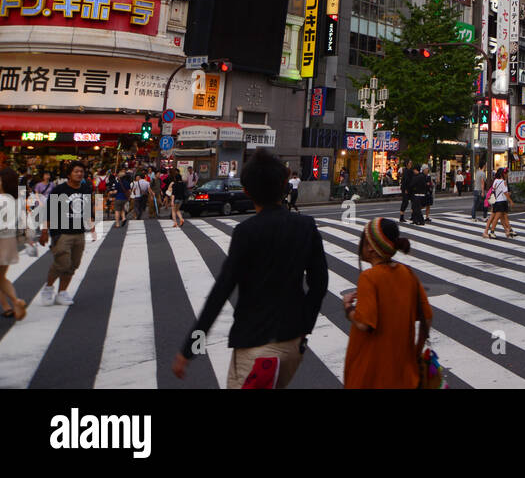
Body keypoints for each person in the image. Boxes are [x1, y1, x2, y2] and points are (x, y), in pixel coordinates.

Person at [173, 150, 328, 388]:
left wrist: (190, 348)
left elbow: (221, 291)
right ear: (284, 186)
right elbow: (320, 283)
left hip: (254, 344)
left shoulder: (246, 232)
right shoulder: (305, 226)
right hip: (293, 343)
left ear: (247, 191)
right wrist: (305, 325)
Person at [342, 218, 432, 388]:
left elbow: (364, 324)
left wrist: (348, 307)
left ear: (371, 247)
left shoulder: (369, 278)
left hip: (371, 374)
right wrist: (416, 352)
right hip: (404, 374)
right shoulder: (407, 273)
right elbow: (426, 318)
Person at [38, 160, 97, 306]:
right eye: (76, 171)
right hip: (61, 232)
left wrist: (92, 226)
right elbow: (49, 211)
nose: (79, 174)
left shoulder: (85, 188)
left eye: (81, 172)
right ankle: (48, 288)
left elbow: (88, 208)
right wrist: (44, 231)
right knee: (62, 263)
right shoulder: (59, 190)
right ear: (69, 174)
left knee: (73, 265)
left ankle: (62, 293)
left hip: (79, 232)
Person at [0, 167, 26, 321]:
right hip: (9, 241)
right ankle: (10, 305)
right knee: (1, 277)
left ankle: (14, 302)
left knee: (1, 278)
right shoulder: (16, 199)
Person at [482, 168, 514, 239]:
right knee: (497, 217)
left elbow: (494, 190)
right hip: (501, 202)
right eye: (506, 173)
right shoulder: (503, 182)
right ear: (503, 174)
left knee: (500, 217)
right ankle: (492, 232)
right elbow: (505, 192)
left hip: (495, 201)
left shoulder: (495, 181)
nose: (507, 175)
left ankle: (508, 230)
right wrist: (511, 201)